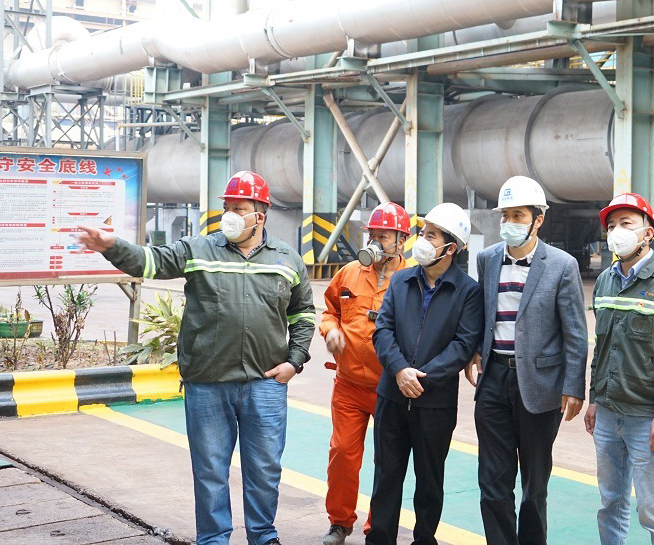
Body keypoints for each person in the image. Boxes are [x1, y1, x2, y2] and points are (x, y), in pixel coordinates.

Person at [76, 171, 315, 545]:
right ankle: (214, 539)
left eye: (238, 208)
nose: (229, 215)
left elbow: (303, 314)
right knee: (210, 470)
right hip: (208, 383)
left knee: (265, 470)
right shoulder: (198, 250)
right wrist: (112, 246)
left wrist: (294, 361)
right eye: (227, 207)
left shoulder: (286, 259)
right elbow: (150, 262)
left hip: (265, 384)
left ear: (260, 215)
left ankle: (263, 536)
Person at [465, 176, 588, 545]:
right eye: (505, 215)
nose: (509, 223)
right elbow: (484, 312)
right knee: (492, 481)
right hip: (493, 381)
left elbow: (575, 332)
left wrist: (573, 386)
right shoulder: (487, 259)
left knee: (534, 486)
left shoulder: (561, 265)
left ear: (538, 219)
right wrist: (474, 349)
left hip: (539, 386)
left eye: (518, 215)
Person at [583, 192, 654, 545]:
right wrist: (594, 399)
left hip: (647, 417)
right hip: (607, 414)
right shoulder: (604, 281)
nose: (617, 231)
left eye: (626, 223)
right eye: (611, 226)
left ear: (648, 232)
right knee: (610, 503)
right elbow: (601, 348)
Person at [367, 202, 483, 545]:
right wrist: (400, 370)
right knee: (386, 476)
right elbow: (382, 330)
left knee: (430, 480)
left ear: (451, 248)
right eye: (423, 232)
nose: (422, 240)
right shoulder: (401, 280)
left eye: (431, 235)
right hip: (392, 395)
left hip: (435, 403)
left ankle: (424, 539)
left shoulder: (468, 291)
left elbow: (463, 344)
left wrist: (421, 378)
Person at [318, 202, 410, 545]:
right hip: (348, 386)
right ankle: (340, 523)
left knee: (387, 460)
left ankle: (378, 527)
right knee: (343, 453)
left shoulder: (411, 279)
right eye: (372, 235)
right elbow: (329, 310)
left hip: (389, 387)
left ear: (401, 240)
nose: (375, 242)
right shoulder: (349, 273)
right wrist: (331, 330)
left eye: (383, 236)